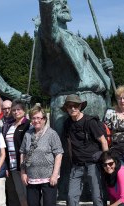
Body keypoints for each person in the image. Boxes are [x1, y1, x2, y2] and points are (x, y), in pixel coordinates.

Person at [35, 0, 113, 136]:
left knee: (100, 151)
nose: (65, 6)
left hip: (95, 101)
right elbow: (49, 28)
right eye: (58, 3)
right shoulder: (51, 36)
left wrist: (102, 68)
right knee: (67, 152)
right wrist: (47, 3)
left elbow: (85, 70)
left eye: (66, 2)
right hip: (68, 102)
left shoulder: (79, 40)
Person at [62, 94, 108, 206]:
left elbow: (103, 140)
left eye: (75, 105)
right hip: (76, 165)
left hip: (93, 164)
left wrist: (105, 160)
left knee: (96, 195)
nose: (73, 108)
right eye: (70, 106)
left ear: (80, 106)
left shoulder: (90, 121)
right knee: (71, 195)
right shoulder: (67, 124)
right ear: (67, 109)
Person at [20, 106, 63, 206]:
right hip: (31, 175)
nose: (36, 120)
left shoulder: (52, 134)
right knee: (33, 204)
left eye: (39, 118)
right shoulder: (28, 134)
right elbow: (23, 153)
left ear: (44, 119)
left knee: (49, 204)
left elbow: (58, 154)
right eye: (34, 118)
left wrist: (55, 173)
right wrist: (23, 172)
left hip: (48, 175)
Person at [4, 100, 31, 206]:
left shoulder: (28, 125)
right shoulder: (10, 125)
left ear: (24, 111)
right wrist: (8, 166)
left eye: (19, 109)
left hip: (25, 166)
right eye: (14, 110)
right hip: (13, 166)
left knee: (29, 194)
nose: (16, 112)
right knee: (21, 195)